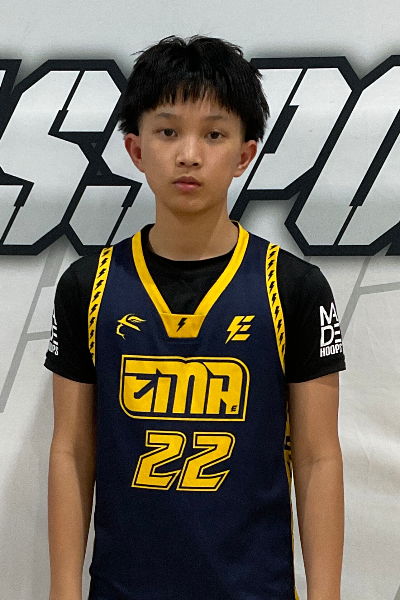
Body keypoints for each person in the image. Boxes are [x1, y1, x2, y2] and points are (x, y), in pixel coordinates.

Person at [45, 35, 345, 600]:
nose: (189, 154)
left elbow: (317, 458)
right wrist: (63, 591)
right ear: (135, 149)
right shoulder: (88, 286)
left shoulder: (294, 287)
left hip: (254, 588)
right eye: (167, 132)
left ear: (244, 154)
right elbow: (71, 451)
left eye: (213, 134)